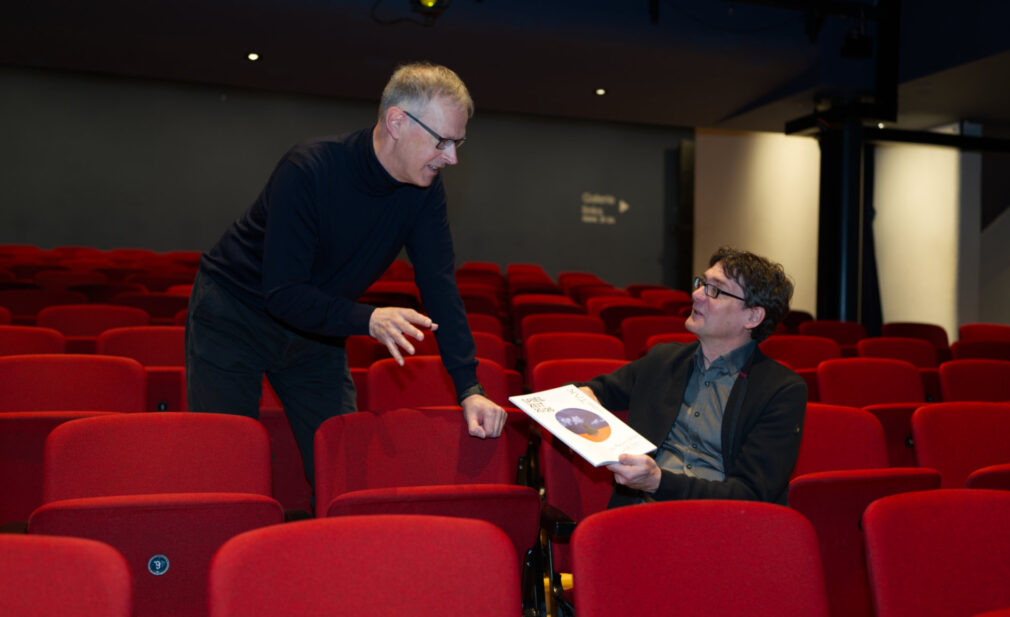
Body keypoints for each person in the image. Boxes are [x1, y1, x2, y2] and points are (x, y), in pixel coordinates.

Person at [185, 62, 507, 484]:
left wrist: (470, 388)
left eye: (458, 142)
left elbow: (439, 284)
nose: (452, 157)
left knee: (342, 471)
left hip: (315, 330)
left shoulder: (424, 191)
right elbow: (283, 293)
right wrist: (368, 319)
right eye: (443, 141)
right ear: (396, 121)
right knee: (225, 464)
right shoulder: (309, 169)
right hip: (234, 316)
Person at [579, 247, 806, 507]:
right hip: (639, 517)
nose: (696, 295)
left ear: (753, 316)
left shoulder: (780, 390)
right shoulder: (663, 361)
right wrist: (583, 399)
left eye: (716, 290)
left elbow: (751, 494)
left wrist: (658, 482)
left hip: (723, 526)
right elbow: (586, 391)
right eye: (701, 283)